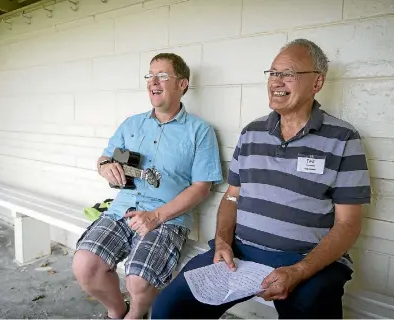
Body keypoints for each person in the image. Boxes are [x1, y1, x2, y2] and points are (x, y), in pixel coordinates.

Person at [151, 39, 371, 319]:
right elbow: (232, 196)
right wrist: (222, 242)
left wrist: (299, 270)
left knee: (314, 306)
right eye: (273, 73)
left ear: (317, 82)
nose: (277, 82)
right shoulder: (251, 133)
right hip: (240, 252)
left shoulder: (343, 138)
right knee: (169, 308)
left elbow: (348, 224)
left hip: (306, 260)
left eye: (288, 73)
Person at [72, 53, 223, 319]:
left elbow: (201, 187)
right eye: (149, 76)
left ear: (182, 85)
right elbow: (104, 158)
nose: (153, 81)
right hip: (122, 209)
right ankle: (117, 310)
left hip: (167, 217)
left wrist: (156, 216)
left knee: (138, 280)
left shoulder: (200, 131)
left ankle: (137, 314)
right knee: (85, 264)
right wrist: (105, 166)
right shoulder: (132, 123)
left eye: (162, 76)